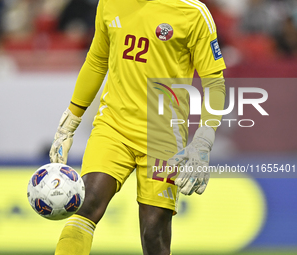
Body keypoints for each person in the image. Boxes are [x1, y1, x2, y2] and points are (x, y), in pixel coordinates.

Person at [49, 0, 226, 254]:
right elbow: (97, 61)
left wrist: (204, 139)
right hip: (113, 127)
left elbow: (214, 84)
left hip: (162, 135)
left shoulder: (193, 13)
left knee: (153, 232)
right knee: (87, 204)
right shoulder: (109, 3)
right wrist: (70, 121)